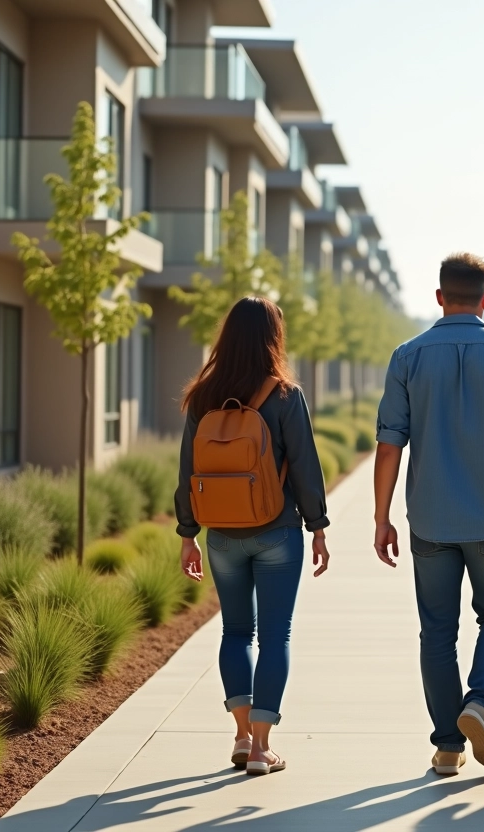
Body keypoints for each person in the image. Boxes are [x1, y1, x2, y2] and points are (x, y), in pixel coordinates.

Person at [373, 252, 484, 777]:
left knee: (437, 631)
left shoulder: (407, 356)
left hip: (429, 519)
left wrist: (381, 516)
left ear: (439, 297)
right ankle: (482, 703)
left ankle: (449, 746)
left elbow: (389, 444)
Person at [175, 297, 331, 777]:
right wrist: (318, 526)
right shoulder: (284, 395)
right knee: (275, 635)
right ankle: (263, 748)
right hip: (277, 531)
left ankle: (241, 737)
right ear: (273, 338)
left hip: (222, 535)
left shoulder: (202, 396)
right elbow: (304, 465)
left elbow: (187, 472)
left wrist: (187, 534)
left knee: (236, 631)